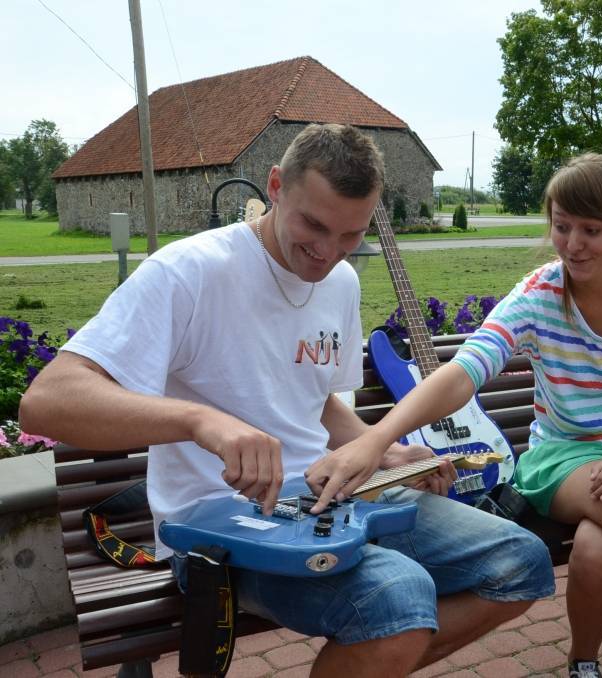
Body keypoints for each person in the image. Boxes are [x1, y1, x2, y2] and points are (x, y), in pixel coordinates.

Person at [18, 123, 554, 678]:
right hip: (217, 526)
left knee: (520, 562)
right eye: (313, 225)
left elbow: (317, 403)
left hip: (338, 498)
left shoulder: (341, 282)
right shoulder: (190, 272)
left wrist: (386, 455)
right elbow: (46, 401)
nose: (326, 253)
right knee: (399, 598)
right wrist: (202, 421)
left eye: (350, 235)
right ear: (275, 186)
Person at [311, 153, 602, 678]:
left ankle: (583, 662)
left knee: (594, 547)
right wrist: (378, 438)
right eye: (562, 227)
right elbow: (465, 370)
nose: (573, 245)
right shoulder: (541, 293)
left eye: (592, 230)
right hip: (563, 456)